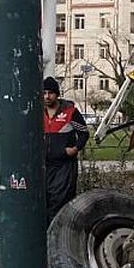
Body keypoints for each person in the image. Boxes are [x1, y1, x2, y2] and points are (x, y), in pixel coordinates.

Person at [43, 76, 88, 223]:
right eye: (44, 93)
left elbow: (84, 133)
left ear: (57, 94)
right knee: (45, 201)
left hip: (64, 166)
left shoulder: (70, 112)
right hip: (44, 165)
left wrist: (75, 148)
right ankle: (46, 238)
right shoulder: (37, 113)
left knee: (59, 202)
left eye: (50, 93)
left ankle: (58, 237)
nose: (47, 96)